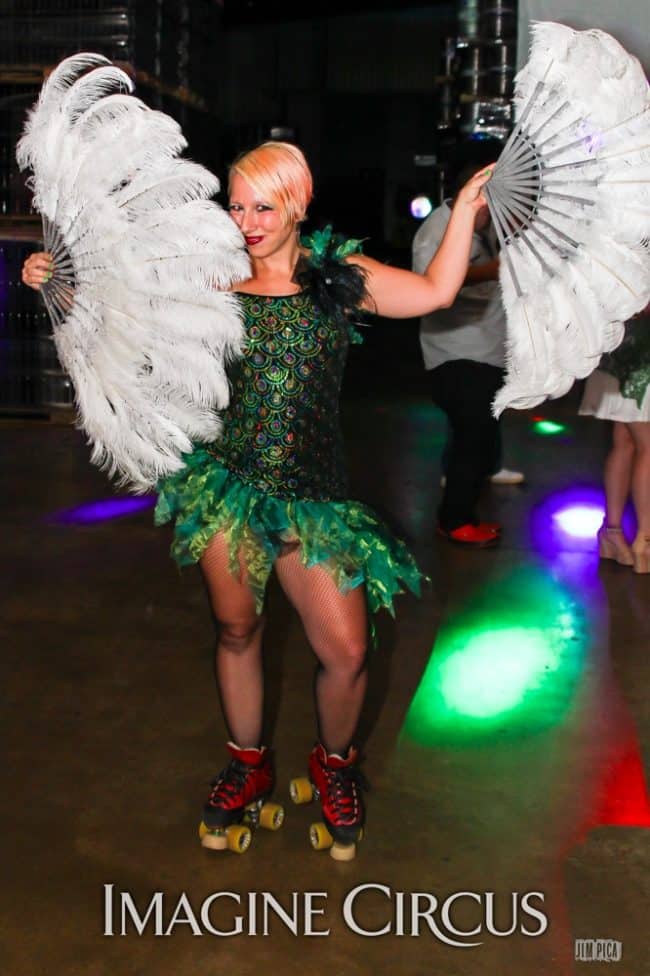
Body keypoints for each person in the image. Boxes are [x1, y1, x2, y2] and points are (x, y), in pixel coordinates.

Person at [22, 141, 492, 860]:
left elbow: (434, 292)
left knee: (348, 651)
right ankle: (248, 761)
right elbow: (126, 311)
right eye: (236, 206)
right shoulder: (210, 278)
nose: (246, 221)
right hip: (230, 490)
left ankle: (335, 764)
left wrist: (465, 212)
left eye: (262, 206)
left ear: (298, 202)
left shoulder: (341, 276)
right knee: (236, 631)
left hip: (316, 497)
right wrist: (57, 280)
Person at [412, 165, 524, 549]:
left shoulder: (485, 225)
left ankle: (463, 513)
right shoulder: (437, 229)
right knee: (471, 439)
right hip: (458, 353)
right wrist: (493, 270)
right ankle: (455, 520)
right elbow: (430, 283)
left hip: (485, 350)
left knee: (476, 437)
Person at [579, 311, 650, 574]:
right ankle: (645, 541)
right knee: (644, 445)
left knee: (626, 441)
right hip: (637, 354)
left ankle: (613, 532)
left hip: (621, 348)